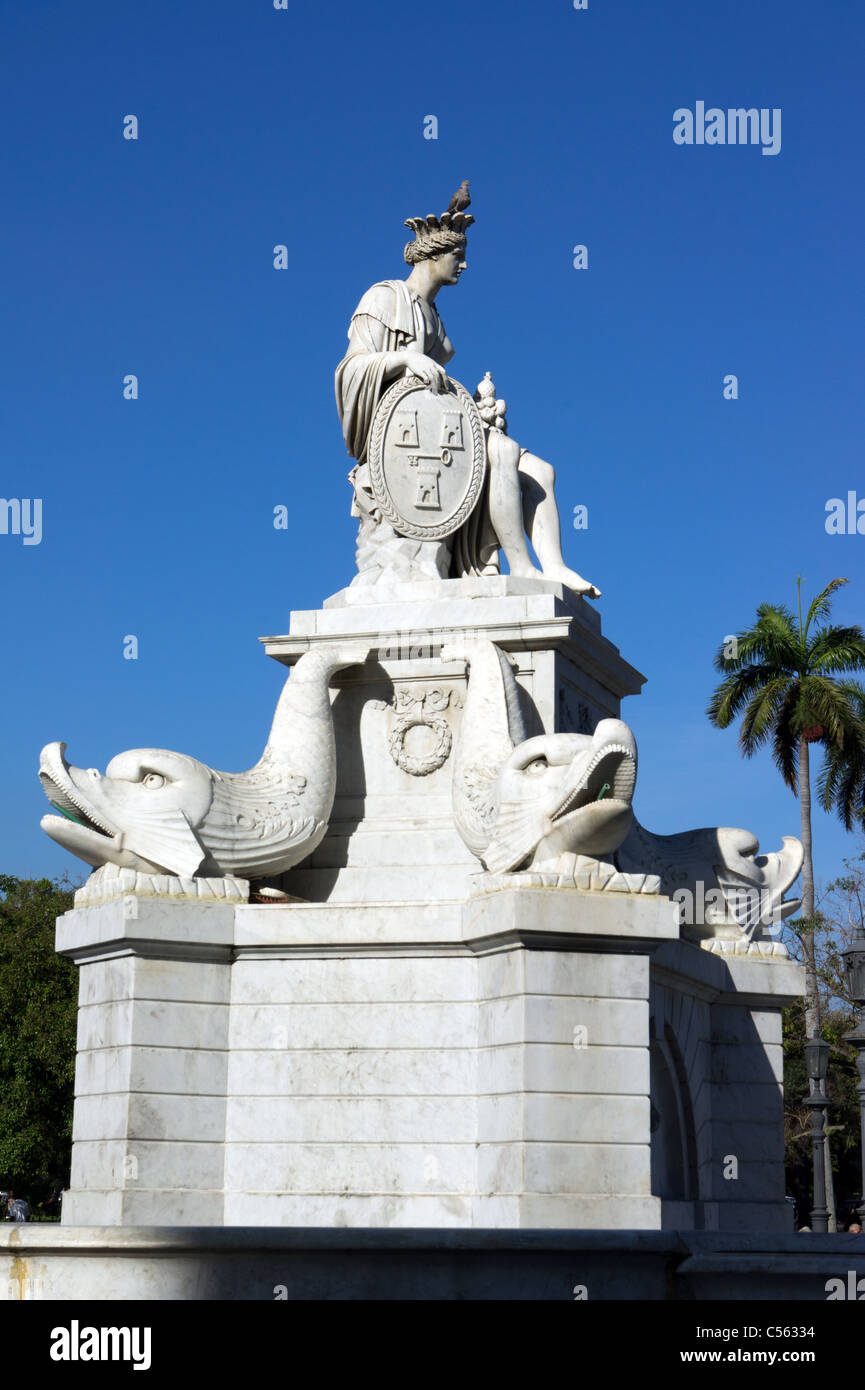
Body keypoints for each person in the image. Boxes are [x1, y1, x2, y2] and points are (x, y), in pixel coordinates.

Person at [335, 202, 600, 597]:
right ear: (434, 256)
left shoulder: (435, 320)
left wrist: (475, 410)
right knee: (505, 453)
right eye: (457, 257)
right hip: (399, 446)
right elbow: (351, 370)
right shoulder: (383, 298)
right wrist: (405, 357)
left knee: (542, 471)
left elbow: (433, 400)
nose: (464, 266)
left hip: (431, 434)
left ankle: (554, 567)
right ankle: (523, 567)